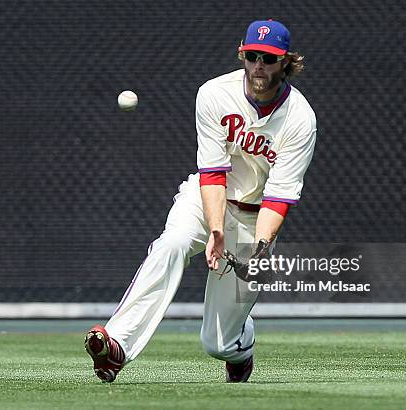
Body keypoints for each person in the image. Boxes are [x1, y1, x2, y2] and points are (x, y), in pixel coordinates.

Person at [85, 19, 317, 383]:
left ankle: (241, 343)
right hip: (207, 198)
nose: (259, 65)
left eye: (268, 58)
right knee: (173, 244)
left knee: (218, 343)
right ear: (242, 54)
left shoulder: (301, 118)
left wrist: (258, 250)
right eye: (252, 56)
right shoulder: (213, 94)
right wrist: (214, 229)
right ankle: (117, 346)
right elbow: (212, 173)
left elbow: (279, 196)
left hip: (256, 219)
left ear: (286, 62)